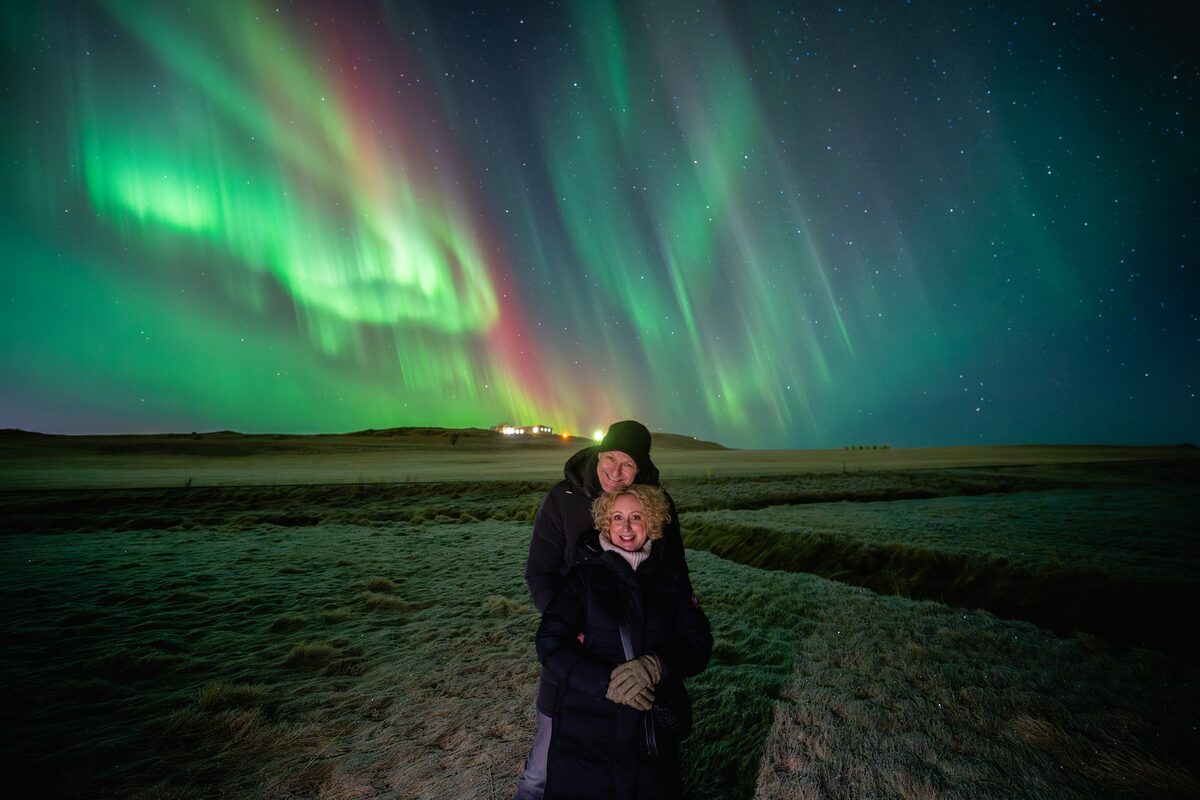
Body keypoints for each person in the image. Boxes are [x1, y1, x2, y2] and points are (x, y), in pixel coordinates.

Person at [515, 420, 690, 800]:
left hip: (637, 651)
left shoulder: (655, 503)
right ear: (598, 454)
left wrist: (658, 655)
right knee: (546, 764)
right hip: (577, 647)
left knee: (634, 765)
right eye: (609, 458)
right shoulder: (562, 498)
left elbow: (675, 576)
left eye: (628, 464)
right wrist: (573, 626)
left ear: (640, 469)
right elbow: (540, 573)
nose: (616, 471)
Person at [535, 484, 712, 798]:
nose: (626, 527)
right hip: (586, 730)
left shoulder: (671, 580)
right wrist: (604, 682)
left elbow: (698, 641)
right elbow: (550, 641)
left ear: (653, 523)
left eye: (636, 517)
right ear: (605, 523)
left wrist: (655, 665)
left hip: (649, 738)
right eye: (617, 517)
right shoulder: (584, 577)